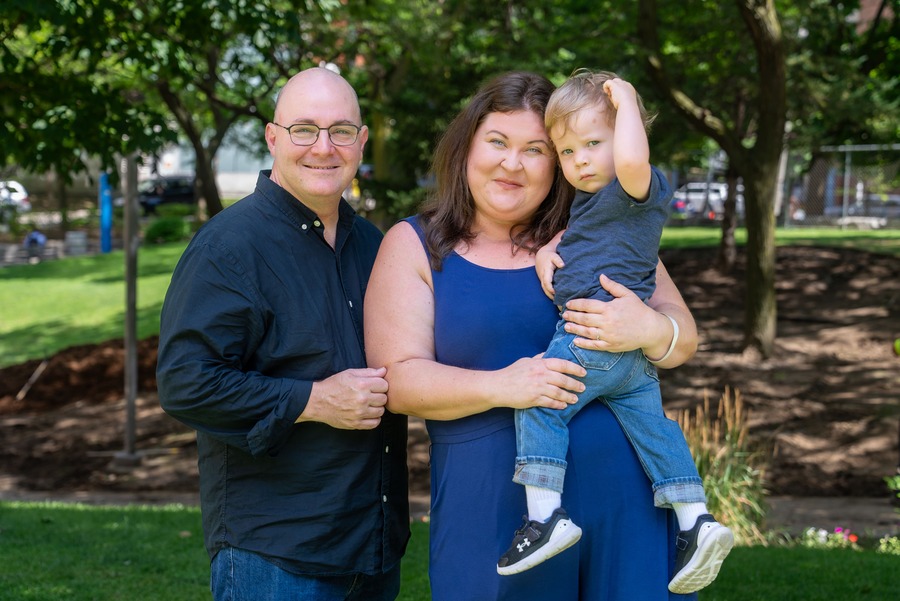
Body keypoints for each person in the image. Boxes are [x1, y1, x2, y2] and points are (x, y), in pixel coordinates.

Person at [365, 70, 700, 600]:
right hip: (495, 512)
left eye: (536, 149)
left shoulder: (604, 230)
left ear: (562, 161)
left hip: (627, 506)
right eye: (497, 142)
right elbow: (398, 382)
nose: (512, 163)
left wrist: (652, 328)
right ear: (466, 149)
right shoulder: (414, 245)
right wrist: (504, 386)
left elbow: (683, 343)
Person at [156, 67, 408, 601]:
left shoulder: (374, 246)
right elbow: (184, 382)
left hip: (373, 545)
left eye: (341, 130)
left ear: (361, 142)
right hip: (276, 556)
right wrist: (313, 400)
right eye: (304, 130)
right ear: (273, 138)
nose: (323, 147)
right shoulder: (228, 248)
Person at [495, 70, 732, 593]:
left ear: (629, 135)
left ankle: (544, 517)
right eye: (566, 151)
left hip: (593, 339)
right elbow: (588, 233)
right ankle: (696, 520)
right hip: (629, 363)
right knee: (655, 431)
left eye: (592, 144)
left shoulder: (635, 182)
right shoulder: (602, 201)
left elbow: (630, 158)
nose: (579, 160)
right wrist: (550, 249)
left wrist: (624, 100)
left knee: (540, 401)